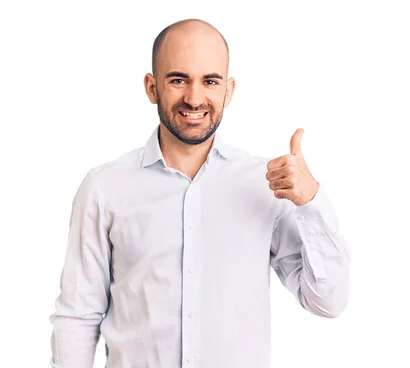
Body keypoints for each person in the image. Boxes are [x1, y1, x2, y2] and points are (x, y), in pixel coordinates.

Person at [49, 18, 351, 368]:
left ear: (229, 90)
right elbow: (77, 316)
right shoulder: (104, 188)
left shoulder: (266, 185)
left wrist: (311, 201)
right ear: (151, 87)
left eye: (210, 81)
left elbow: (328, 301)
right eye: (178, 80)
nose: (194, 98)